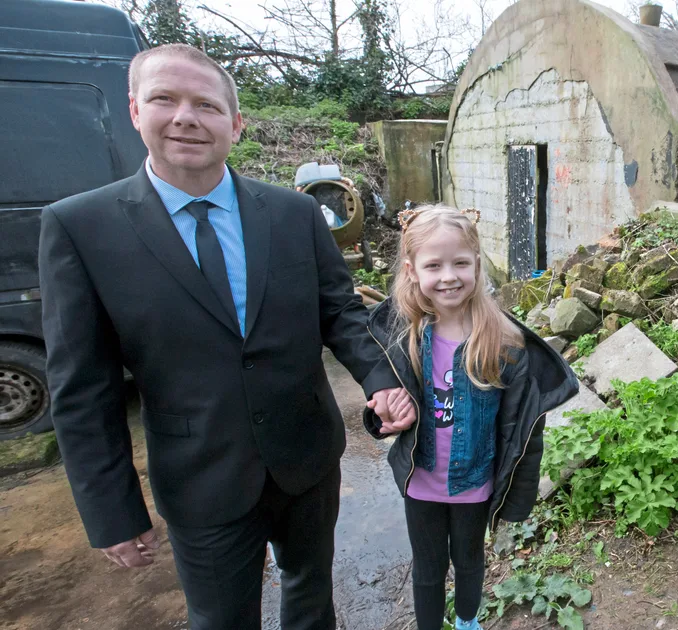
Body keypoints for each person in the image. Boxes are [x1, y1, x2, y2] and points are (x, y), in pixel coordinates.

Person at [38, 43, 415, 630]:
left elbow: (341, 312)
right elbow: (81, 388)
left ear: (235, 124)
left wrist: (382, 380)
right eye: (165, 99)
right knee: (219, 619)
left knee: (312, 600)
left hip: (307, 458)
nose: (187, 116)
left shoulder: (292, 215)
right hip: (199, 475)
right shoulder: (81, 228)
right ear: (135, 111)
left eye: (207, 105)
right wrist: (111, 511)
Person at [363, 206, 578, 630]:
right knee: (426, 568)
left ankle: (466, 622)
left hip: (474, 483)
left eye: (460, 263)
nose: (448, 276)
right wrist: (383, 420)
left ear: (477, 265)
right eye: (433, 265)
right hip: (419, 482)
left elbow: (524, 430)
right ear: (411, 271)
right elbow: (379, 403)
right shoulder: (400, 336)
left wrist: (519, 497)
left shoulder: (503, 343)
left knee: (468, 561)